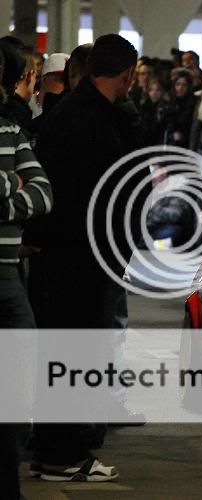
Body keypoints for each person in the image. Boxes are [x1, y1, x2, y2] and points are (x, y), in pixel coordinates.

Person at [32, 33, 147, 482]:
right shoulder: (90, 122)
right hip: (80, 258)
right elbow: (95, 195)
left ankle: (54, 451)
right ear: (126, 73)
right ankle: (65, 455)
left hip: (75, 254)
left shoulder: (76, 115)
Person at [0, 45, 53, 499]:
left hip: (8, 275)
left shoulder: (10, 128)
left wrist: (9, 198)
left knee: (17, 386)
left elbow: (42, 193)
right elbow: (22, 186)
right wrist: (8, 185)